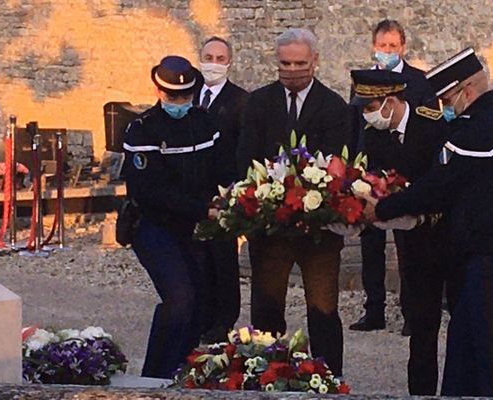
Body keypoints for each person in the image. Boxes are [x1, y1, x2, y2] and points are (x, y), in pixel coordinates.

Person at [362, 48, 493, 398]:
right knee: (464, 342)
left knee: (492, 348)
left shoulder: (474, 131)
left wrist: (382, 209)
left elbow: (437, 187)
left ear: (466, 91)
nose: (445, 106)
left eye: (447, 98)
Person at [237, 28, 352, 377]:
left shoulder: (334, 107)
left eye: (299, 63)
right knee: (267, 308)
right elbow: (246, 158)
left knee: (323, 309)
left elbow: (337, 166)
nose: (292, 70)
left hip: (318, 231)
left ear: (315, 61)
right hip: (270, 227)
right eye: (285, 63)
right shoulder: (258, 103)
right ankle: (267, 371)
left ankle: (329, 376)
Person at [123, 55, 232, 378]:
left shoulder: (204, 123)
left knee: (201, 303)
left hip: (194, 227)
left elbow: (223, 168)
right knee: (179, 297)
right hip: (155, 227)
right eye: (174, 97)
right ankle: (154, 376)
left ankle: (180, 371)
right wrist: (204, 208)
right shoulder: (142, 130)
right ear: (159, 91)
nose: (180, 103)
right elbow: (150, 192)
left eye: (186, 96)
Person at [349, 69, 456, 395]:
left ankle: (460, 386)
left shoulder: (433, 125)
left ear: (392, 101)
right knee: (421, 321)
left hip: (449, 234)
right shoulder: (374, 134)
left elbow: (439, 183)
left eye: (371, 107)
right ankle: (420, 390)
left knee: (463, 318)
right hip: (411, 239)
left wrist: (389, 207)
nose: (368, 115)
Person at [351, 19, 435, 335]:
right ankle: (373, 310)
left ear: (402, 47)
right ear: (374, 46)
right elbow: (355, 124)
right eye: (382, 45)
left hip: (404, 173)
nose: (387, 51)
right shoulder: (364, 80)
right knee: (370, 244)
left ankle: (411, 313)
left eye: (392, 46)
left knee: (407, 246)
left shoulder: (418, 80)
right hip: (372, 169)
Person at [194, 36, 249, 343]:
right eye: (208, 56)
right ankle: (199, 316)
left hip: (223, 190)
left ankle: (223, 320)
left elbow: (243, 148)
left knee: (222, 259)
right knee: (196, 258)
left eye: (219, 58)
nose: (213, 63)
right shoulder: (188, 96)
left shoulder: (241, 101)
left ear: (229, 62)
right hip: (193, 193)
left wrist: (233, 189)